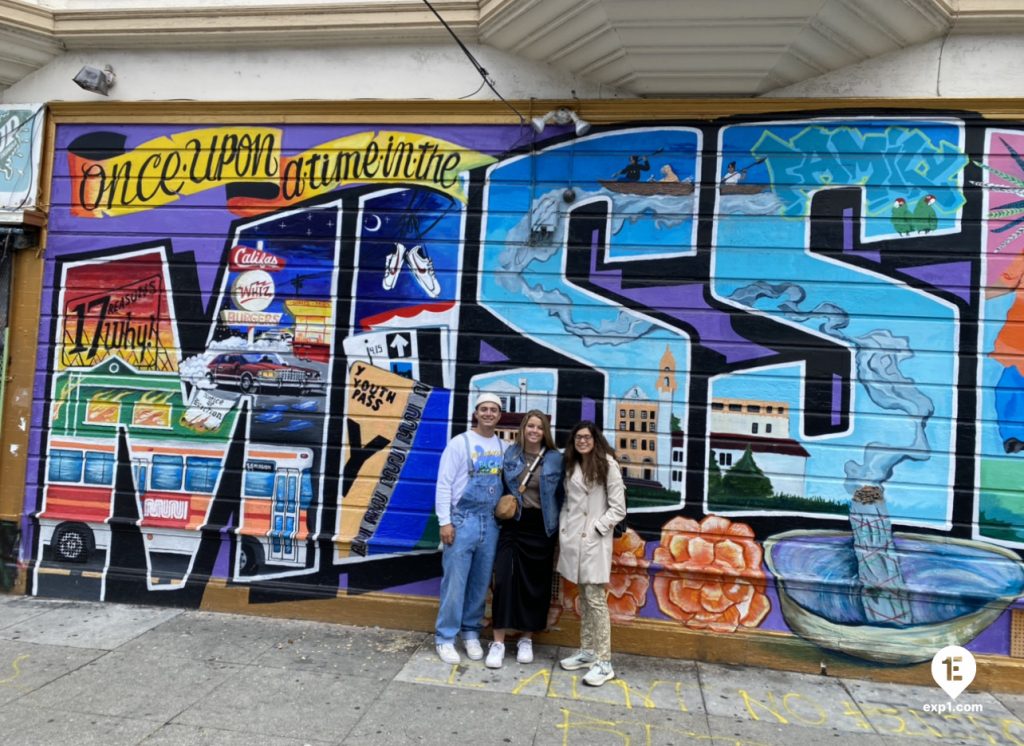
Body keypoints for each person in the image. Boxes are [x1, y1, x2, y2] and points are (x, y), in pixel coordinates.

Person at [485, 410, 564, 668]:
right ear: (523, 428)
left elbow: (563, 495)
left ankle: (526, 638)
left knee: (535, 584)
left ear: (545, 432)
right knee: (505, 580)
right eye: (530, 426)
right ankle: (497, 641)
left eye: (539, 427)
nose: (534, 431)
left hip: (542, 527)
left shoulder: (555, 459)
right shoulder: (511, 453)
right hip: (513, 524)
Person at [434, 393, 507, 664]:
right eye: (484, 409)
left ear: (500, 415)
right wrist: (445, 521)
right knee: (455, 583)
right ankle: (445, 637)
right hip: (462, 520)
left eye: (494, 410)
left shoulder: (503, 447)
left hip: (490, 522)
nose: (489, 413)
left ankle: (471, 633)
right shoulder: (459, 443)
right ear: (476, 413)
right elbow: (444, 483)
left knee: (479, 583)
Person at [556, 420, 626, 687]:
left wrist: (598, 527)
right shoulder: (571, 465)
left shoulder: (608, 465)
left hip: (595, 541)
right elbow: (568, 503)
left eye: (586, 437)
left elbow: (618, 508)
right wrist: (564, 529)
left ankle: (604, 662)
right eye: (578, 437)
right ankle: (587, 652)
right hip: (573, 539)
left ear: (595, 439)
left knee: (596, 600)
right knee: (584, 598)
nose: (582, 441)